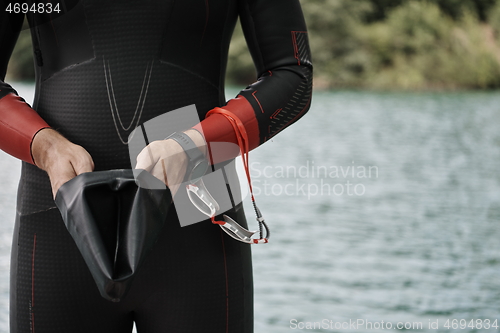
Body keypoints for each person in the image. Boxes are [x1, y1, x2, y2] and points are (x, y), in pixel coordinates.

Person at [0, 0, 312, 332]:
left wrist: (196, 145)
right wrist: (45, 147)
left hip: (200, 220)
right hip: (58, 220)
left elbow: (293, 76)